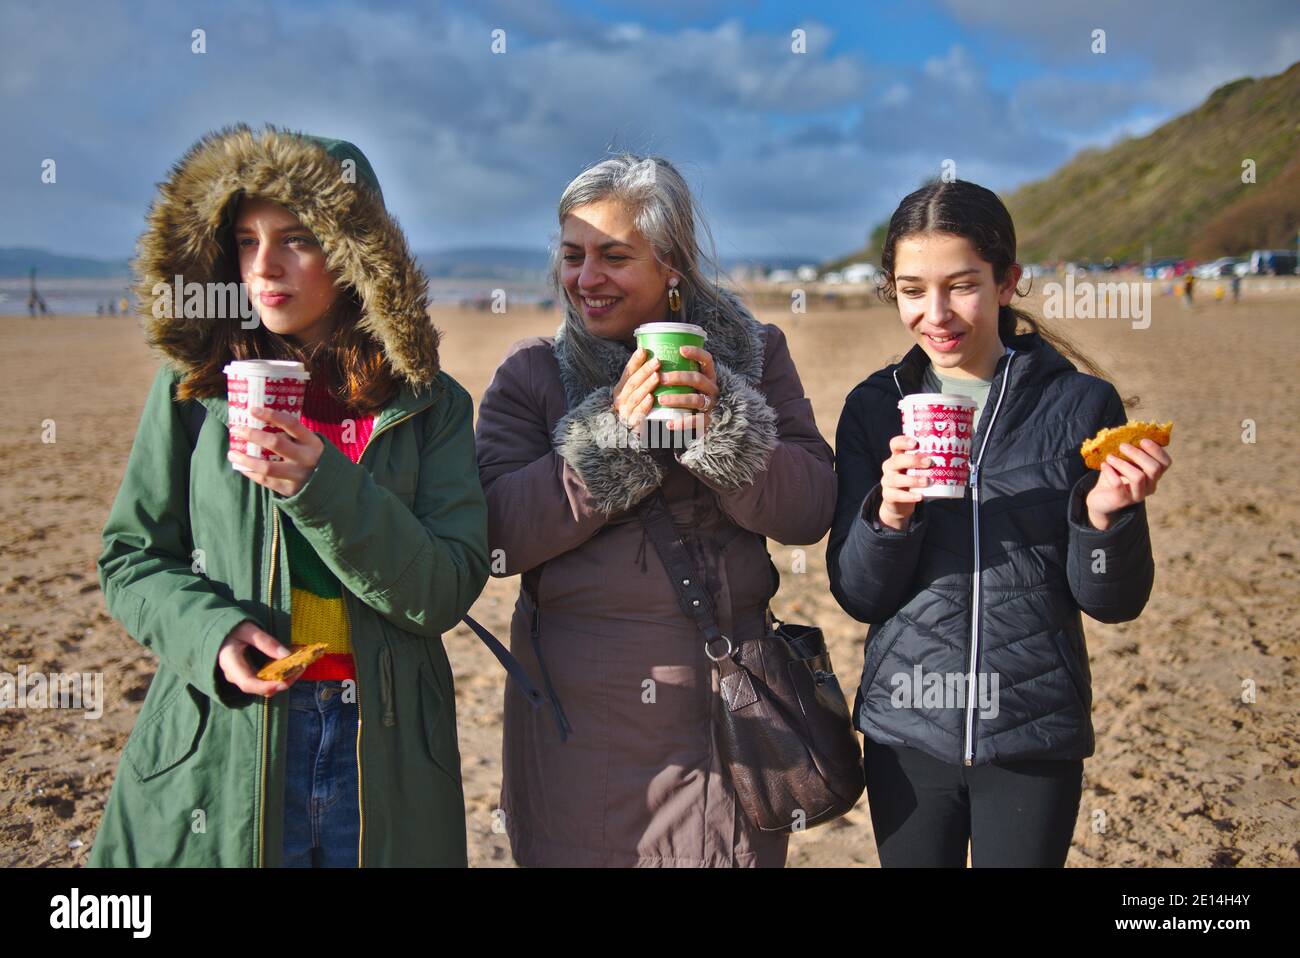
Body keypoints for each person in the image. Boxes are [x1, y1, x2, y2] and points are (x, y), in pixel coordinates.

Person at [90, 125, 490, 867]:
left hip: (381, 748)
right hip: (230, 733)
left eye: (296, 239)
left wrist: (320, 484)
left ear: (352, 252)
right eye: (245, 241)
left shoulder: (431, 406)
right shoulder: (193, 392)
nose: (264, 267)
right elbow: (132, 559)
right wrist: (210, 635)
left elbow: (443, 590)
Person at [476, 154, 836, 866]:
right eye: (573, 256)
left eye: (614, 256)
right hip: (575, 718)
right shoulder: (531, 373)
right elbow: (496, 536)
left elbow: (809, 509)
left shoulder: (759, 357)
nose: (586, 279)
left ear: (671, 265)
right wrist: (611, 435)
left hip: (728, 712)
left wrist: (724, 423)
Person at [827, 180, 1172, 867]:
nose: (936, 314)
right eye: (911, 290)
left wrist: (1106, 517)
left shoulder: (1080, 404)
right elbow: (859, 594)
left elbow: (1113, 602)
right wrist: (889, 514)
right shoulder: (875, 405)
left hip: (1034, 731)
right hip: (907, 727)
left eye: (962, 285)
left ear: (1008, 280)